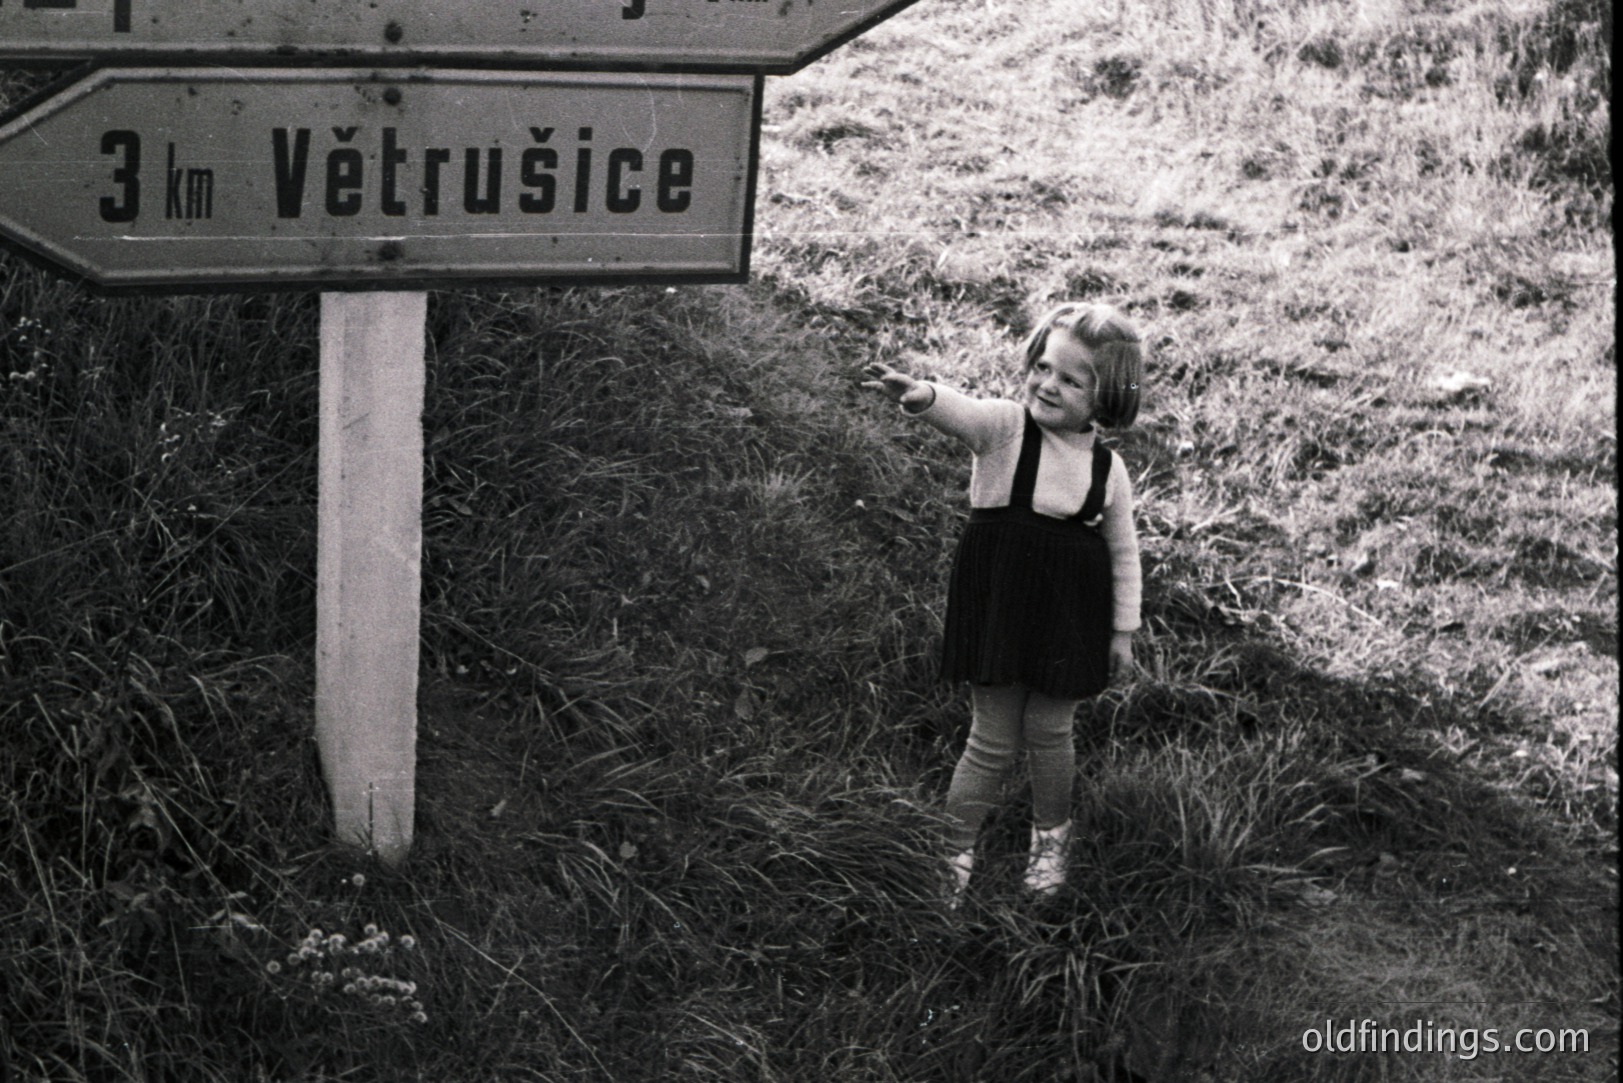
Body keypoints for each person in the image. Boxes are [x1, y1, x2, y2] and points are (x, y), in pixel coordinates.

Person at [862, 302, 1144, 906]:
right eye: (1043, 366)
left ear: (1108, 397)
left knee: (1050, 730)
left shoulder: (1109, 470)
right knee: (990, 736)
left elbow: (1123, 553)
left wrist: (1122, 631)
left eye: (1072, 380)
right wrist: (922, 394)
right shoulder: (1007, 429)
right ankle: (953, 848)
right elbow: (962, 411)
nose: (1048, 384)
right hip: (1000, 607)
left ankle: (1051, 838)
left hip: (1070, 617)